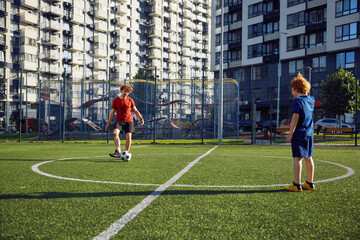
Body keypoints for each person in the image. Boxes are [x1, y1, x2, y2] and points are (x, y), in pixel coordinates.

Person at [285, 73, 315, 192]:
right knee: (309, 157)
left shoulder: (297, 101)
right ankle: (310, 182)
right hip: (309, 133)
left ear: (296, 89)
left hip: (299, 133)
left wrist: (290, 134)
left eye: (292, 89)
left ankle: (297, 185)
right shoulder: (311, 100)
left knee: (297, 158)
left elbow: (295, 118)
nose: (291, 92)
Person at [105, 84, 144, 158]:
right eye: (125, 91)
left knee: (128, 137)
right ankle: (118, 152)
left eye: (128, 92)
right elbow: (112, 113)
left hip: (129, 121)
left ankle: (126, 153)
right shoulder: (116, 100)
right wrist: (108, 124)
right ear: (121, 90)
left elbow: (135, 110)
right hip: (119, 121)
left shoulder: (130, 100)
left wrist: (141, 119)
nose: (126, 93)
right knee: (115, 133)